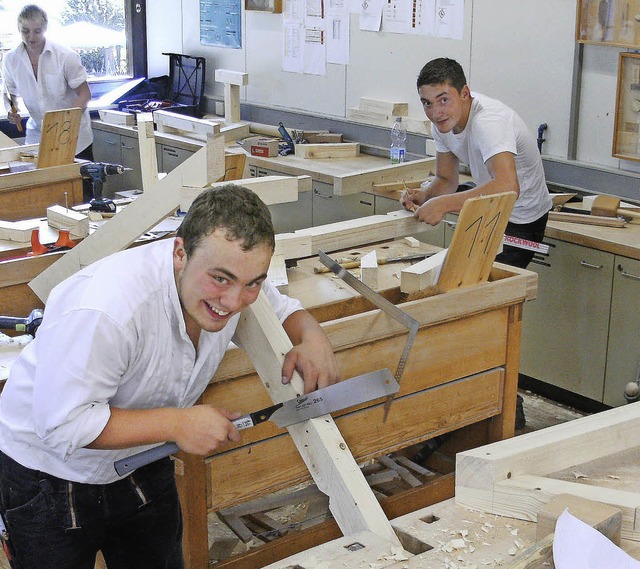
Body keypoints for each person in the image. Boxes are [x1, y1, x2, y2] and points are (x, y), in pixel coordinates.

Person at [0, 184, 339, 568]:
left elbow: (282, 310)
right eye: (220, 280)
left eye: (252, 283)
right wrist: (178, 423)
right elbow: (62, 425)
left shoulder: (236, 283)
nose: (232, 302)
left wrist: (312, 337)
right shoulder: (108, 310)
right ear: (180, 253)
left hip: (143, 454)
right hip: (47, 473)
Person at [401, 57, 552, 270]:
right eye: (427, 103)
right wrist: (426, 195)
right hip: (489, 207)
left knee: (483, 289)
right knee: (462, 277)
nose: (435, 112)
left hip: (521, 218)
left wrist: (443, 204)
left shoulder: (488, 122)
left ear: (464, 93)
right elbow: (446, 179)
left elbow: (508, 187)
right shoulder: (443, 121)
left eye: (443, 100)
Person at [2, 5, 94, 182]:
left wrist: (65, 120)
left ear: (45, 28)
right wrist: (11, 110)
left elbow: (85, 95)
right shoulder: (11, 59)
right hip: (38, 132)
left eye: (37, 31)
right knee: (40, 186)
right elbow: (9, 94)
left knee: (83, 190)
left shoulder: (66, 56)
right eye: (25, 31)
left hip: (74, 135)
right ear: (18, 29)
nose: (31, 37)